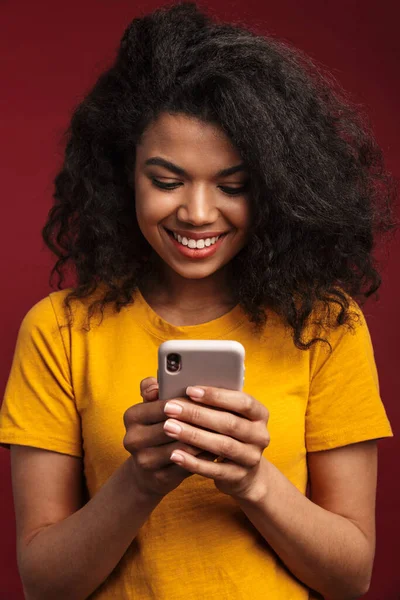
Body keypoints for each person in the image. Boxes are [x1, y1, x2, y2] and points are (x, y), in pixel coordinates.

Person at [0, 2, 396, 599]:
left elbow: (351, 576)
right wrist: (140, 481)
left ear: (274, 188)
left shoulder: (325, 326)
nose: (199, 213)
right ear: (121, 174)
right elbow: (44, 584)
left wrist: (253, 480)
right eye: (166, 181)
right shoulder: (60, 330)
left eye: (232, 186)